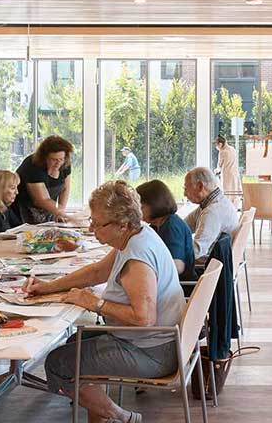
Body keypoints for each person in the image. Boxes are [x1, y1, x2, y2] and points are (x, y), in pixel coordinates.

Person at [25, 181, 184, 423]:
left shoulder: (137, 259)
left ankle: (123, 418)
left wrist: (95, 303)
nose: (91, 228)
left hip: (152, 352)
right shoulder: (137, 234)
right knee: (75, 342)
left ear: (121, 225)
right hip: (154, 342)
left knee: (57, 363)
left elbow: (144, 319)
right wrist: (46, 287)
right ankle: (103, 418)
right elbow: (96, 272)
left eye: (97, 223)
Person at [136, 180, 196, 281]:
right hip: (170, 286)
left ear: (155, 205)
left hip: (178, 288)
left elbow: (178, 267)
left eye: (141, 207)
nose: (138, 212)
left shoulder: (171, 227)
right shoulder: (157, 225)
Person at [13, 135, 74, 224]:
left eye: (61, 159)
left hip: (48, 209)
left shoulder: (64, 163)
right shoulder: (32, 165)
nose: (58, 163)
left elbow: (65, 189)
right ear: (44, 157)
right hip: (25, 209)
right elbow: (41, 200)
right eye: (54, 160)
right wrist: (63, 213)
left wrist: (60, 212)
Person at [183, 166, 239, 260]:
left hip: (211, 265)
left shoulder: (212, 211)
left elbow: (197, 251)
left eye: (186, 188)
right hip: (221, 260)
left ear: (200, 186)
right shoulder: (212, 202)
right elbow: (184, 227)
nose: (184, 194)